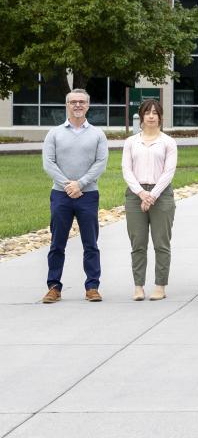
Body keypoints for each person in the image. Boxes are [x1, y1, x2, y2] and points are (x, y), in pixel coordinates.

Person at [41, 88, 109, 303]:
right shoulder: (54, 133)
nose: (77, 105)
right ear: (67, 105)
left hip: (88, 195)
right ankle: (54, 287)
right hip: (60, 195)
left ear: (88, 105)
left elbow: (101, 163)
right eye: (73, 102)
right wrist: (68, 185)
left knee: (91, 243)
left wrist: (80, 184)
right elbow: (48, 163)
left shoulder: (98, 134)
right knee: (57, 243)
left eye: (82, 102)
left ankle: (92, 287)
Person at [122, 99, 177, 301]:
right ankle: (138, 286)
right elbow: (127, 170)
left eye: (155, 112)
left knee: (161, 243)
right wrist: (141, 194)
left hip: (161, 195)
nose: (151, 116)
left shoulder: (168, 142)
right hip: (136, 195)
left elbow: (168, 172)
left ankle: (160, 286)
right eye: (147, 113)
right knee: (138, 243)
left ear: (160, 116)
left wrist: (152, 195)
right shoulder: (131, 142)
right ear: (141, 116)